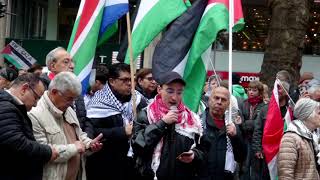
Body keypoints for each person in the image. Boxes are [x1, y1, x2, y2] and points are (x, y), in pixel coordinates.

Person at [132, 71, 207, 180]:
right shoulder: (146, 114)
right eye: (170, 91)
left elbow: (203, 150)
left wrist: (194, 155)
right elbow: (138, 146)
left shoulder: (193, 119)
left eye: (179, 92)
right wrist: (162, 123)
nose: (174, 98)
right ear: (159, 90)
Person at [28, 72, 103, 180]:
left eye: (74, 99)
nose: (72, 103)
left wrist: (89, 144)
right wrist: (74, 148)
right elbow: (42, 152)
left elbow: (79, 135)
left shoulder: (68, 109)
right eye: (69, 98)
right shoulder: (35, 114)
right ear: (54, 92)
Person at [85, 63, 146, 180]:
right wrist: (122, 131)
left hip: (132, 164)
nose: (130, 83)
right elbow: (91, 132)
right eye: (125, 80)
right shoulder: (98, 102)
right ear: (112, 81)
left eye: (132, 79)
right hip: (105, 165)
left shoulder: (137, 99)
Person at [0, 73, 58, 180]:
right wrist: (47, 151)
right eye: (36, 98)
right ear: (24, 89)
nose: (36, 104)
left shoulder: (11, 106)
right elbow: (16, 144)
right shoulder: (5, 107)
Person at [198, 86, 246, 180]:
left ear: (228, 104)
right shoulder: (198, 122)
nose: (219, 102)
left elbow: (241, 157)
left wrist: (235, 137)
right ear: (209, 100)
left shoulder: (232, 125)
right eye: (216, 98)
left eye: (223, 100)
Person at [278, 98, 320, 180]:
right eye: (319, 113)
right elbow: (285, 175)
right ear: (308, 115)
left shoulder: (312, 136)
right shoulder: (290, 138)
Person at [238, 81, 266, 180]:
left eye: (254, 90)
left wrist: (247, 123)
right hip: (244, 138)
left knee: (256, 166)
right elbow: (239, 120)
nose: (251, 92)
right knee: (244, 164)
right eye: (249, 90)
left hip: (256, 140)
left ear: (260, 92)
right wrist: (249, 123)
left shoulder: (263, 106)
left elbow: (259, 124)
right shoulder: (243, 104)